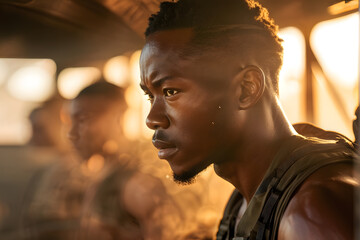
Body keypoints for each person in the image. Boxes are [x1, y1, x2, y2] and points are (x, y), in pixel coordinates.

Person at [139, 0, 359, 239]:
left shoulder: (311, 214)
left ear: (247, 88)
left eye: (170, 91)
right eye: (150, 96)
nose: (152, 119)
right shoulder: (246, 200)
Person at [68, 81, 183, 240]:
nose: (72, 133)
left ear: (118, 119)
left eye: (83, 120)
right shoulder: (101, 176)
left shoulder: (138, 185)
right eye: (71, 121)